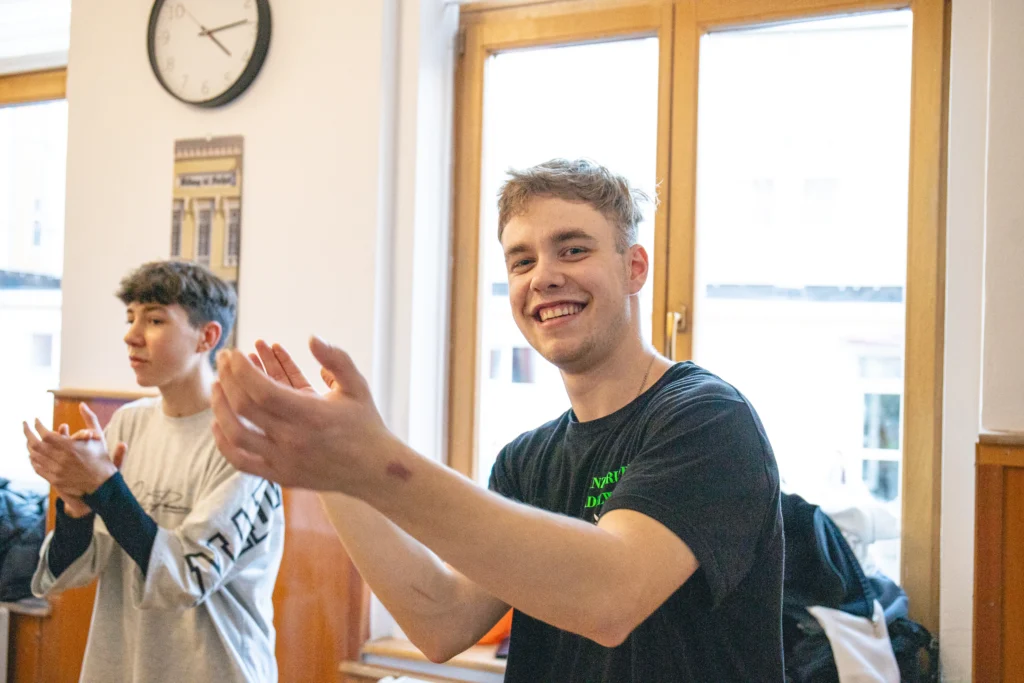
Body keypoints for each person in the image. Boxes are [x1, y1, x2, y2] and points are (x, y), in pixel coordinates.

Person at [212, 159, 784, 681]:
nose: (544, 277)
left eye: (573, 250)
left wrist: (374, 460)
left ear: (634, 268)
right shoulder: (525, 461)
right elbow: (440, 620)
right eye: (522, 261)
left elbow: (609, 597)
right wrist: (335, 474)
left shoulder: (708, 420)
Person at [23, 260, 284, 683]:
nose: (131, 335)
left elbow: (186, 577)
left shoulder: (245, 441)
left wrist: (105, 488)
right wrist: (76, 508)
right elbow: (72, 572)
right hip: (122, 667)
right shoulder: (128, 423)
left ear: (207, 337)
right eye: (130, 318)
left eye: (155, 320)